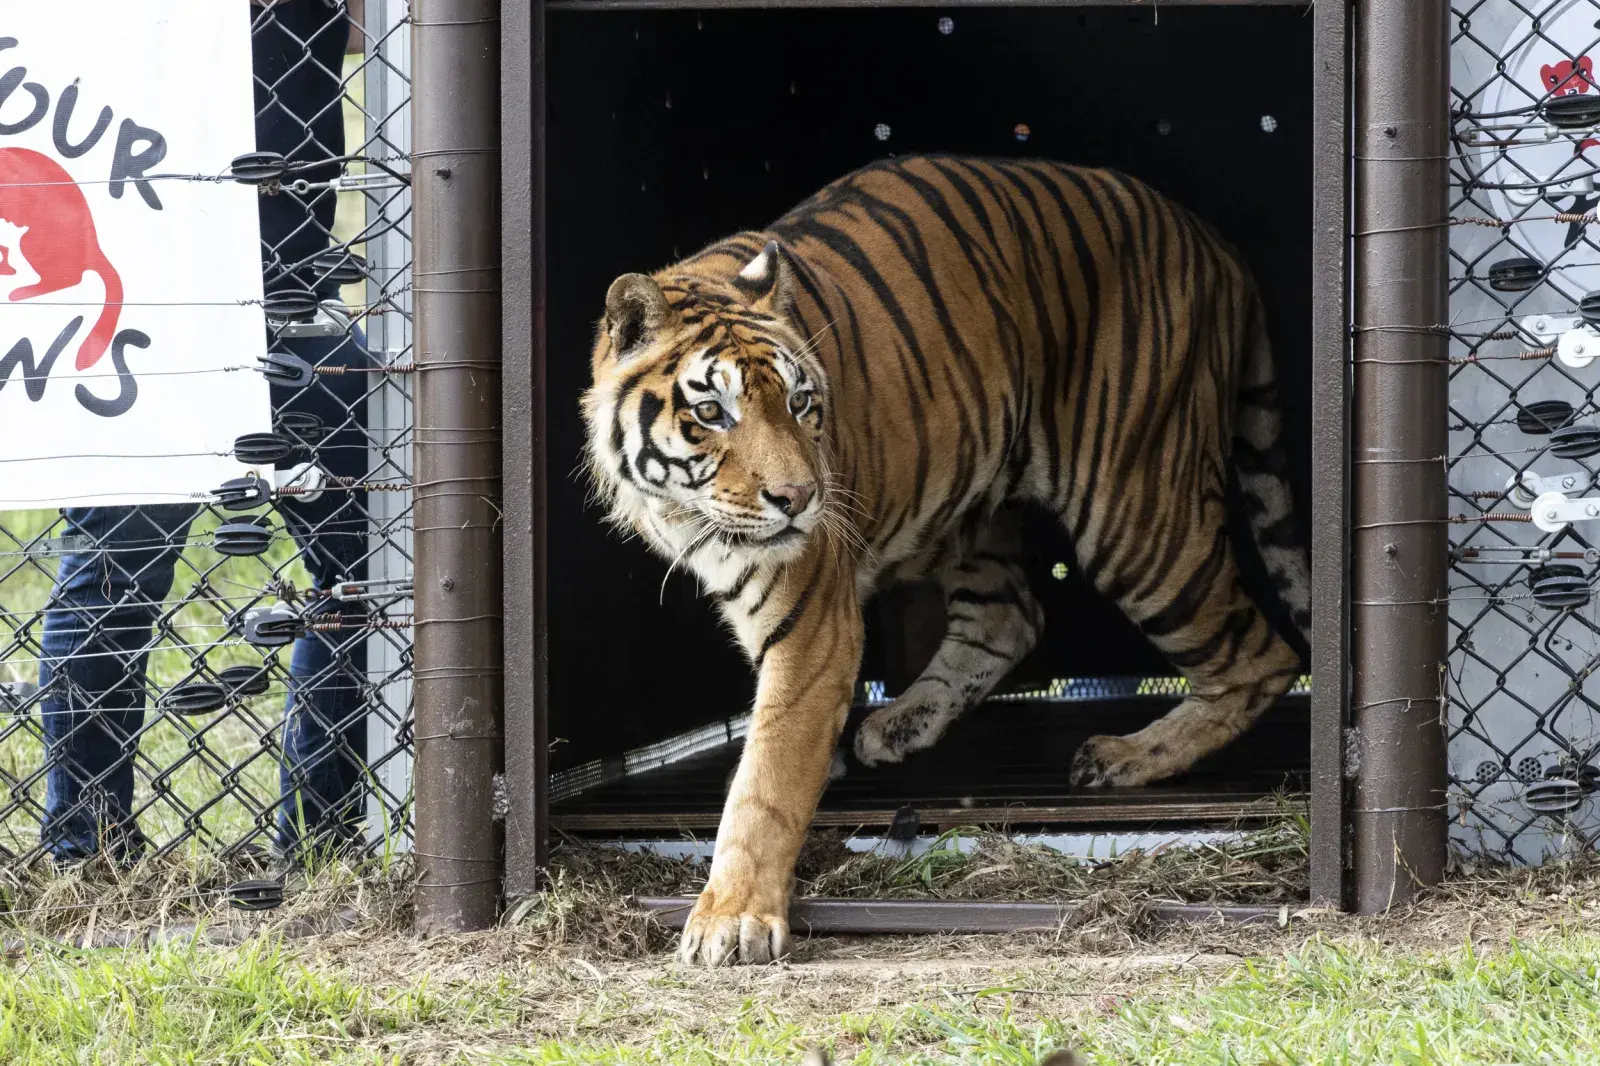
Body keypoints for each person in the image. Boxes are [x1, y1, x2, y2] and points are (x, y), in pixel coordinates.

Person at [37, 0, 376, 863]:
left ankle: (311, 843)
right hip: (157, 295)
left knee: (366, 570)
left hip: (279, 301)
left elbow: (379, 32)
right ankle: (94, 844)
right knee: (117, 572)